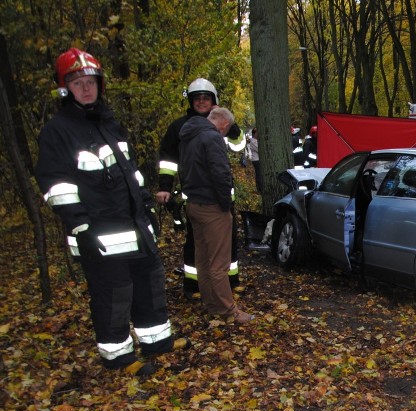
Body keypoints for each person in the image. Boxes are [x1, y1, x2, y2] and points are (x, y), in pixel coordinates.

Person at [36, 48, 187, 377]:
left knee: (150, 284)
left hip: (134, 227)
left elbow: (130, 172)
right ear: (65, 88)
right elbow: (54, 185)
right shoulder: (58, 131)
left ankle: (157, 343)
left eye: (90, 81)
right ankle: (118, 356)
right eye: (77, 82)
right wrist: (80, 228)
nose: (86, 88)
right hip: (100, 235)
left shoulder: (108, 124)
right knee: (113, 294)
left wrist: (146, 205)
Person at [155, 78, 245, 298]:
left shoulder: (222, 123)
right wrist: (165, 186)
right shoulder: (179, 127)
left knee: (228, 240)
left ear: (213, 100)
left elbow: (239, 145)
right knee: (196, 241)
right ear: (191, 101)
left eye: (206, 98)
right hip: (197, 196)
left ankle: (230, 281)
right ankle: (193, 285)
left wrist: (228, 121)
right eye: (198, 98)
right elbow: (168, 161)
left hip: (223, 196)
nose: (202, 102)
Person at [179, 107, 255, 324]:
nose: (225, 132)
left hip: (193, 203)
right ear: (223, 124)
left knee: (202, 259)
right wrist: (225, 205)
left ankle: (211, 304)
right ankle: (228, 310)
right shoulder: (212, 138)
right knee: (219, 263)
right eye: (227, 128)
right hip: (213, 207)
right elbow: (220, 173)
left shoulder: (189, 135)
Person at [248, 127, 261, 192]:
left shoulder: (255, 141)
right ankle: (259, 188)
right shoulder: (253, 141)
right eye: (257, 133)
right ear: (254, 134)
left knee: (259, 174)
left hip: (258, 159)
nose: (258, 134)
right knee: (258, 174)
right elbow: (259, 150)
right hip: (256, 160)